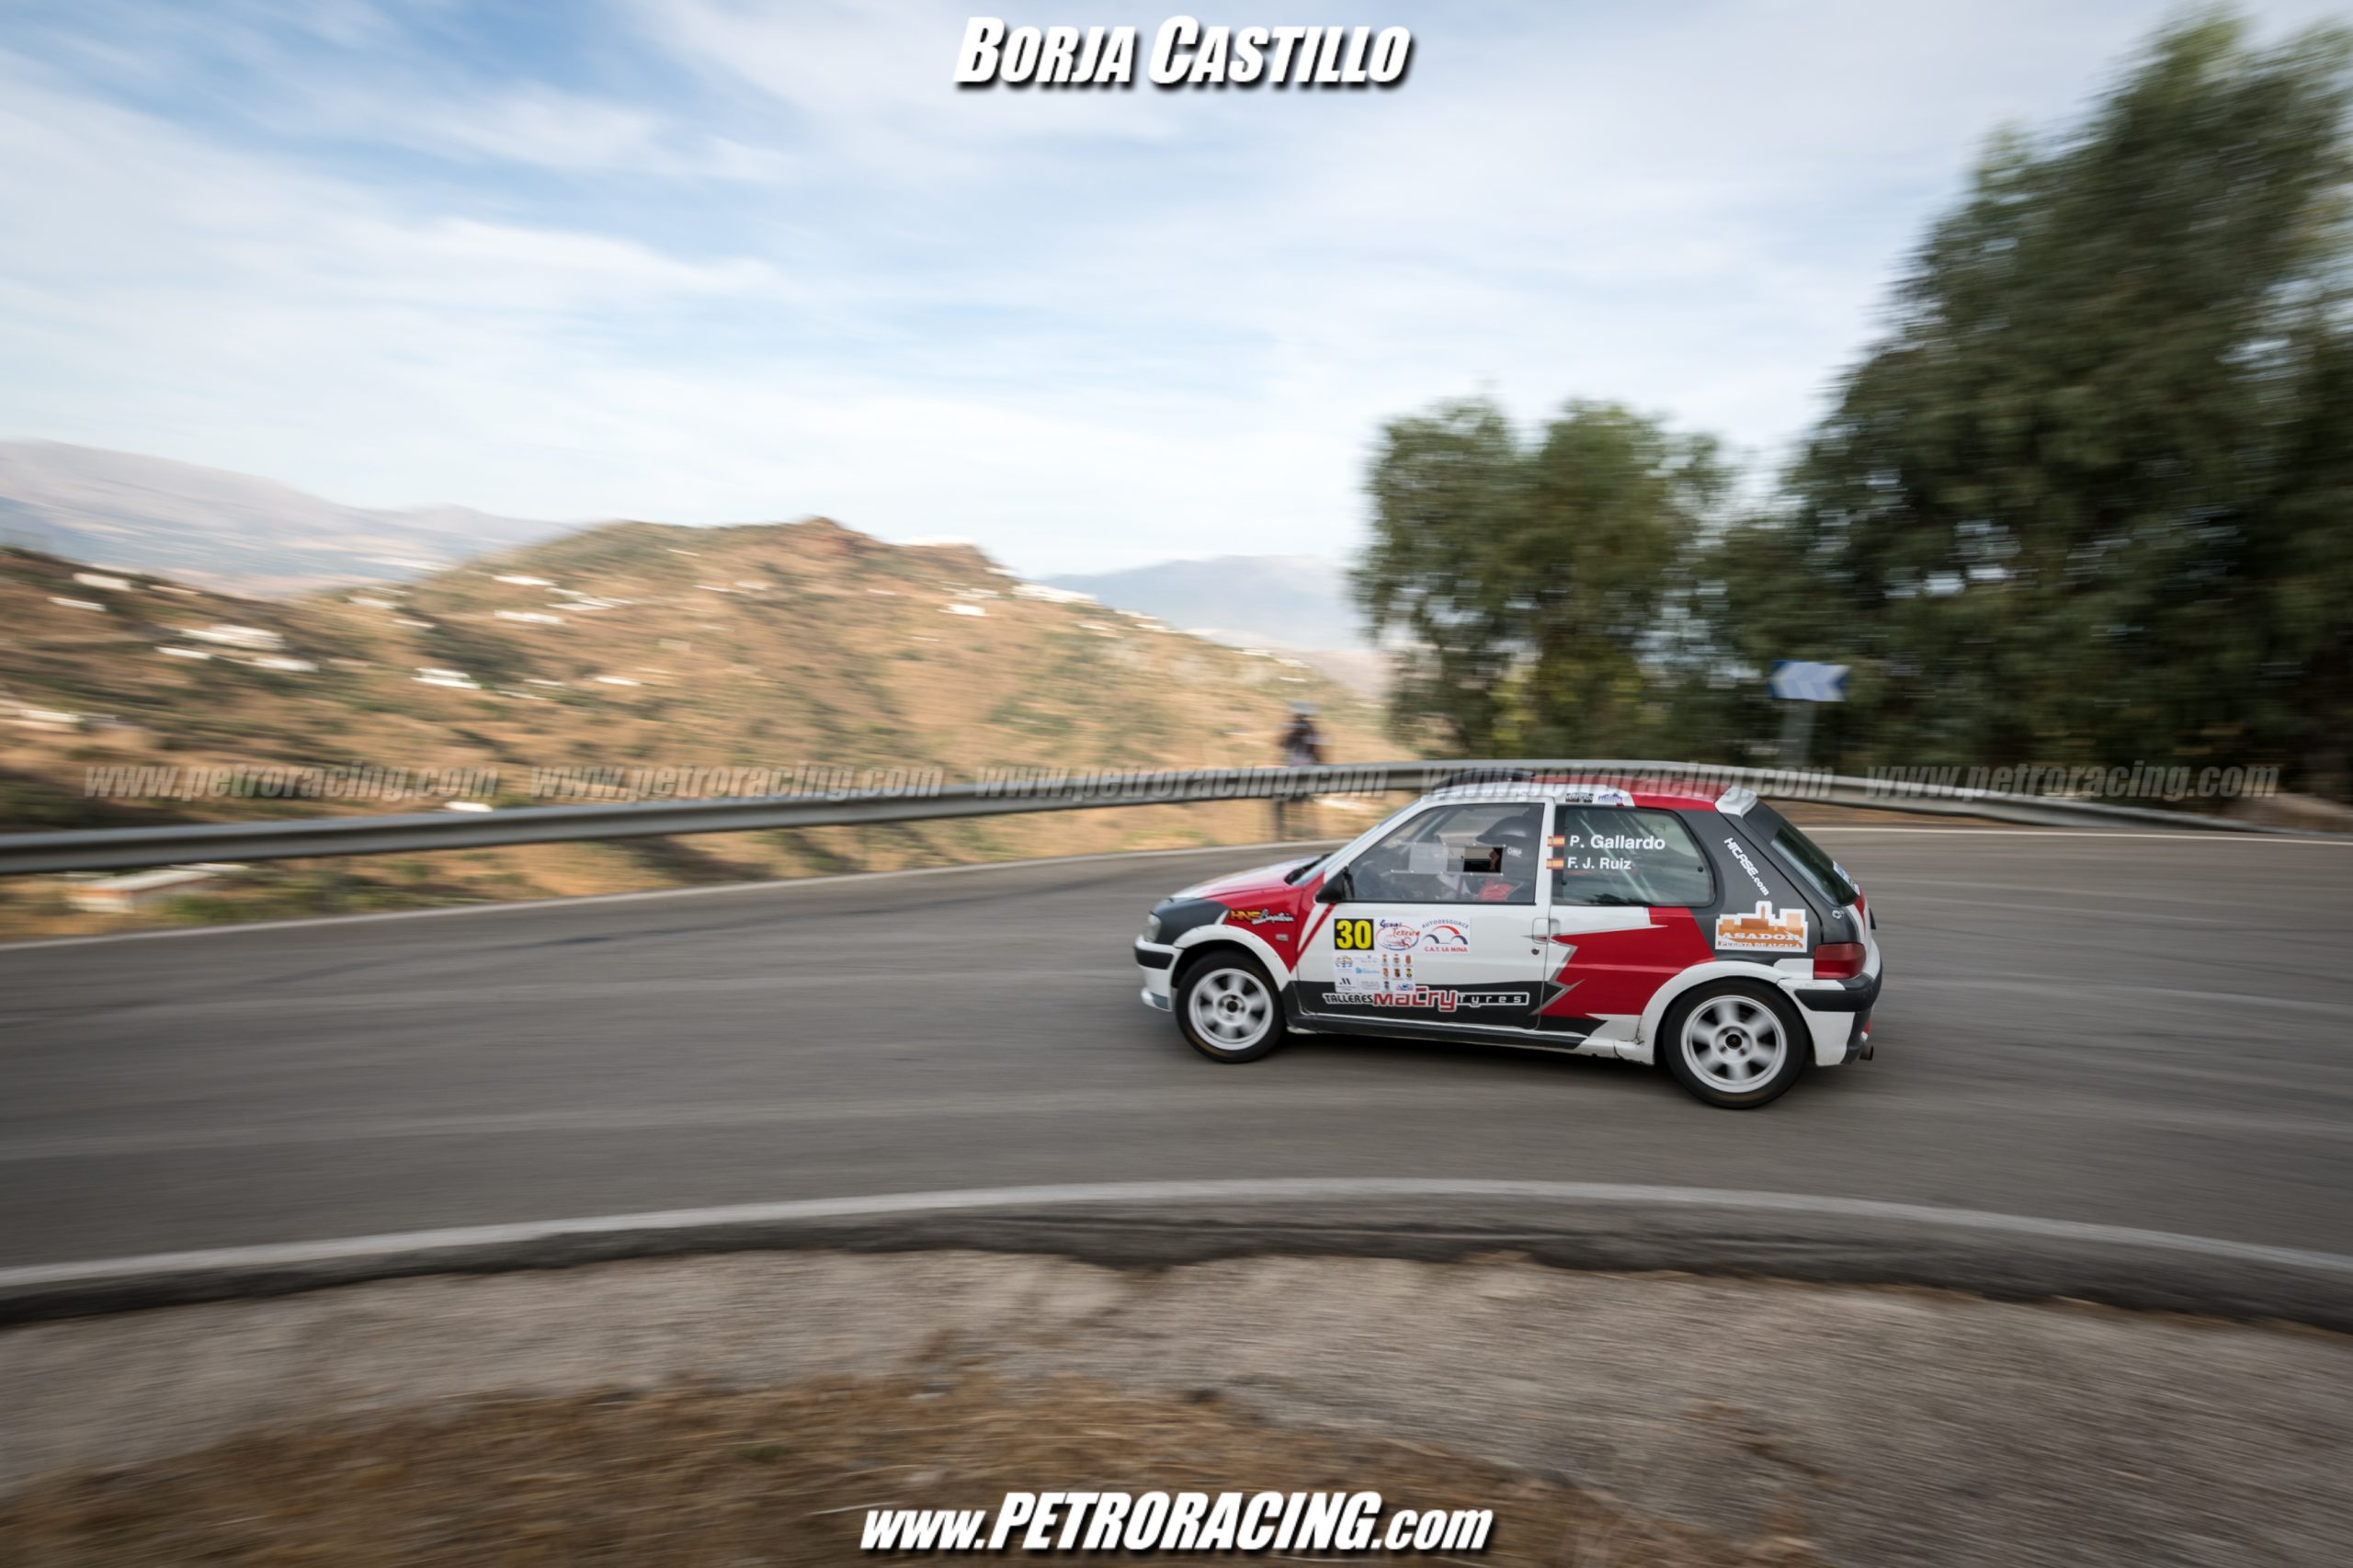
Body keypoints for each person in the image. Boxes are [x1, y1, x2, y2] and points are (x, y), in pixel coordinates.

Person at [1275, 705, 1324, 839]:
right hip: (1307, 776)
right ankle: (1303, 830)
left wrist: (1288, 730)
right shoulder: (1311, 731)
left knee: (1281, 798)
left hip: (1295, 774)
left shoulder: (1296, 732)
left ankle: (1285, 831)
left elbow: (1280, 743)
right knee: (1300, 798)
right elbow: (1318, 753)